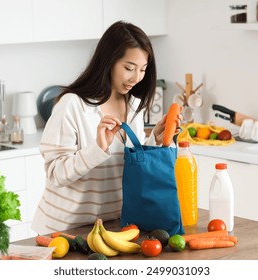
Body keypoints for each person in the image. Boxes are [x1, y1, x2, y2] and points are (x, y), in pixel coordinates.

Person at [31, 21, 181, 235]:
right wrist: (97, 149)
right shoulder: (72, 105)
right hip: (65, 231)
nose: (136, 78)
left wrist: (154, 140)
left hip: (113, 227)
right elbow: (56, 173)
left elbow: (131, 164)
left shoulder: (134, 106)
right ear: (108, 61)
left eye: (142, 70)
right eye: (129, 68)